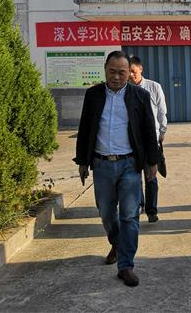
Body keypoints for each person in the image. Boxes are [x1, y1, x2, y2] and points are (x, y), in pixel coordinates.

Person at [74, 51, 165, 287]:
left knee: (129, 215)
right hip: (101, 164)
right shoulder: (93, 95)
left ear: (129, 73)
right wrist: (82, 161)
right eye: (112, 72)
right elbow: (85, 129)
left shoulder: (140, 96)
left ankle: (126, 265)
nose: (116, 77)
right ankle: (117, 242)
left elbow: (149, 131)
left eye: (122, 73)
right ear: (105, 69)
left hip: (129, 165)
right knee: (106, 212)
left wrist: (152, 163)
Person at [129, 55, 167, 223]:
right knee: (134, 176)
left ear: (141, 69)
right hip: (132, 141)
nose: (131, 75)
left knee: (151, 175)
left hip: (151, 140)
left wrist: (162, 132)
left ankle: (151, 210)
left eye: (133, 71)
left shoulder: (154, 87)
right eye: (128, 72)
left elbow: (162, 111)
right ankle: (140, 204)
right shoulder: (125, 90)